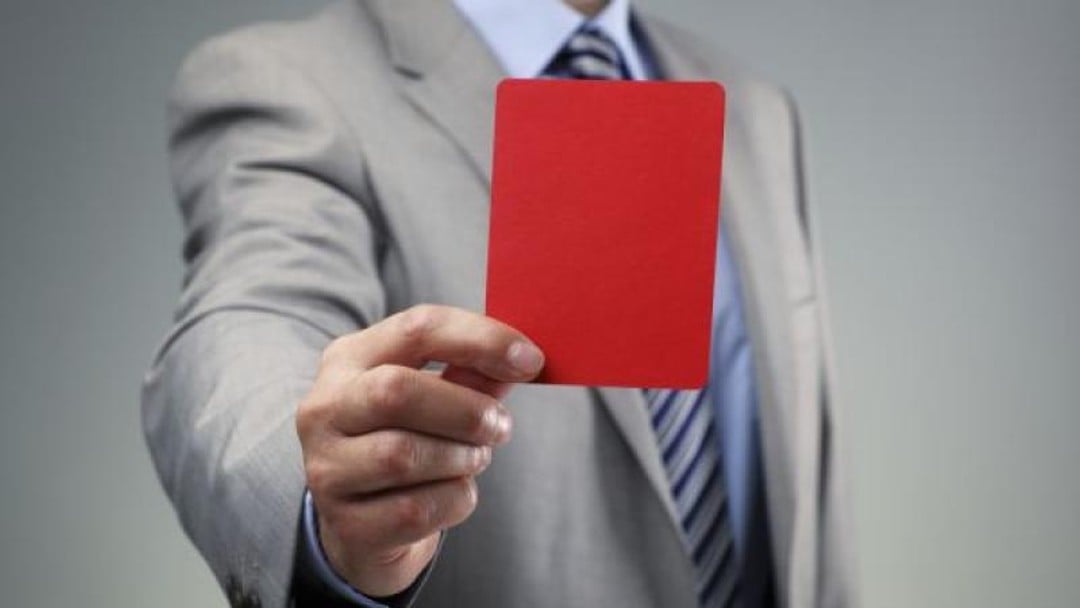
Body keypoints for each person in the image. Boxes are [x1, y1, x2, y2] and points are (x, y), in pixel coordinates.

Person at [142, 0, 855, 606]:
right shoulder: (294, 81)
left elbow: (808, 503)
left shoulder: (758, 109)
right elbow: (245, 327)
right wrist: (321, 485)